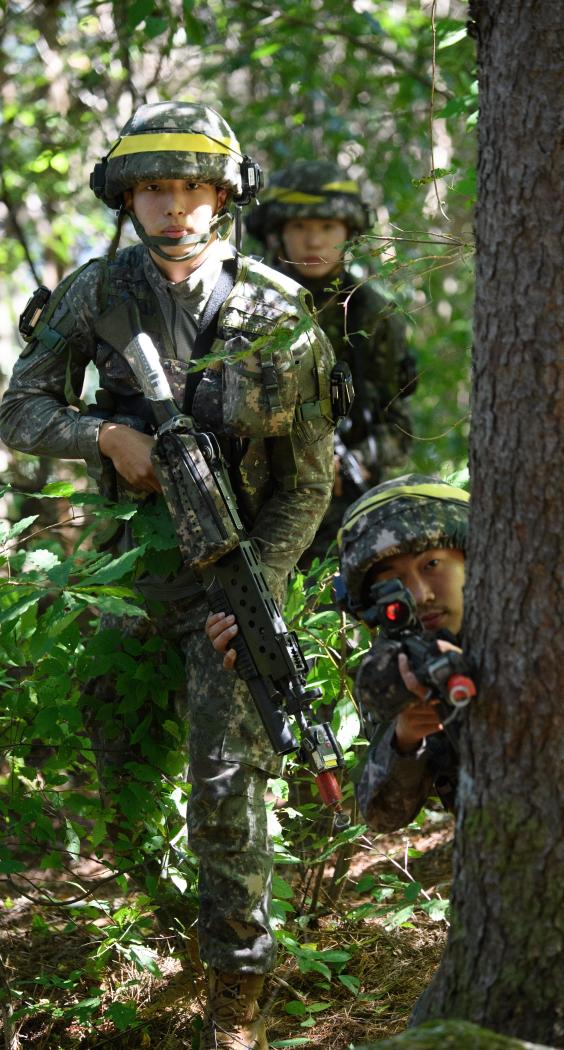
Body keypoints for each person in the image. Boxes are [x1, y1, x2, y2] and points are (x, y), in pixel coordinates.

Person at [0, 101, 338, 1050]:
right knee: (121, 764)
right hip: (127, 569)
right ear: (129, 197)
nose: (175, 206)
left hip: (236, 576)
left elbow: (309, 479)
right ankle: (159, 922)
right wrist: (101, 433)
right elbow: (19, 409)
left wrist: (255, 591)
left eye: (192, 188)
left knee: (228, 781)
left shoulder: (277, 309)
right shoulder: (95, 291)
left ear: (224, 196)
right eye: (155, 188)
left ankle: (238, 992)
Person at [245, 160, 418, 564]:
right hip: (256, 502)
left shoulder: (371, 314)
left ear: (349, 233)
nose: (314, 241)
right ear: (277, 233)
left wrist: (358, 459)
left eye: (327, 228)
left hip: (344, 510)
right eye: (301, 228)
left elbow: (399, 426)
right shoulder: (244, 305)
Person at [335, 474, 470, 833]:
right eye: (393, 580)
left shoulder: (531, 618)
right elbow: (381, 814)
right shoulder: (397, 664)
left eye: (432, 565)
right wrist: (407, 737)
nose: (420, 594)